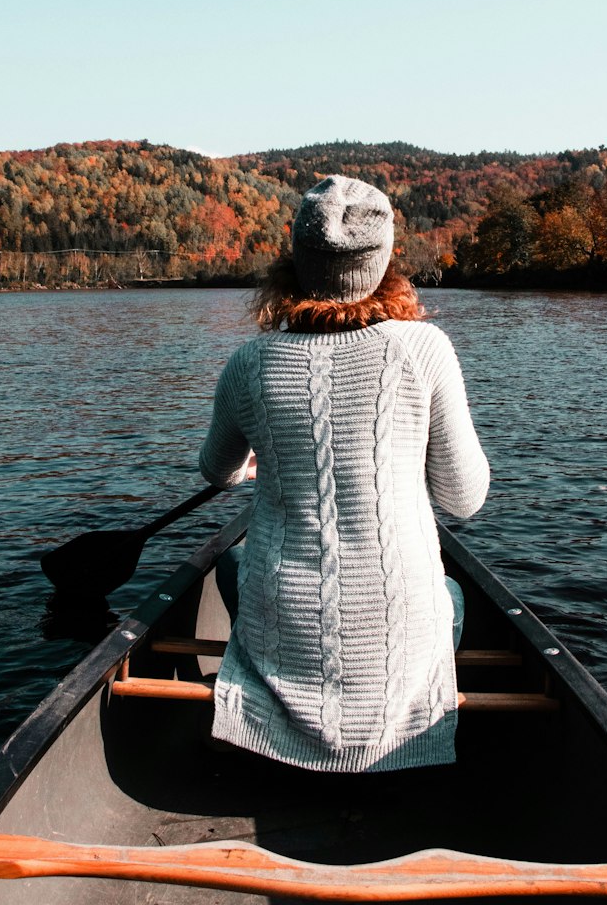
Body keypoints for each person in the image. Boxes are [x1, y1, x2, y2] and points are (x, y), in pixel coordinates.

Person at [199, 174, 489, 773]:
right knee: (455, 594)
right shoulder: (426, 348)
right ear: (382, 263)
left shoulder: (248, 362)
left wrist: (256, 461)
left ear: (297, 263)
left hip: (285, 620)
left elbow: (216, 471)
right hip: (396, 635)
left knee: (229, 564)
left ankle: (275, 711)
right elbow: (462, 500)